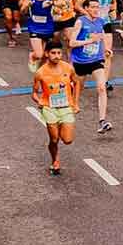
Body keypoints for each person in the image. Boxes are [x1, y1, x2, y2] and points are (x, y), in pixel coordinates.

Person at [31, 41, 80, 176]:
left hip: (66, 107)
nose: (57, 56)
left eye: (59, 53)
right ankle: (55, 160)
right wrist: (39, 100)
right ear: (47, 54)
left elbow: (77, 83)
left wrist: (75, 103)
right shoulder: (40, 72)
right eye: (53, 53)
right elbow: (34, 93)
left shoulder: (68, 68)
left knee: (67, 140)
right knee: (54, 139)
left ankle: (57, 147)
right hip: (49, 108)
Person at [68, 0, 112, 135]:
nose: (95, 9)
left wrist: (106, 49)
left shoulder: (101, 21)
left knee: (101, 87)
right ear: (86, 8)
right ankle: (70, 108)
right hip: (80, 61)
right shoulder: (80, 22)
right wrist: (88, 42)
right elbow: (71, 43)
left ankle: (102, 121)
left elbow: (101, 37)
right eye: (92, 7)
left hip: (96, 60)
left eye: (97, 7)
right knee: (77, 89)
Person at [22, 0, 60, 72]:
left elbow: (62, 4)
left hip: (48, 26)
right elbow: (22, 11)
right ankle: (32, 55)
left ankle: (41, 74)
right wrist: (27, 5)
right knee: (39, 54)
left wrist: (52, 3)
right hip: (34, 26)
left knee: (44, 56)